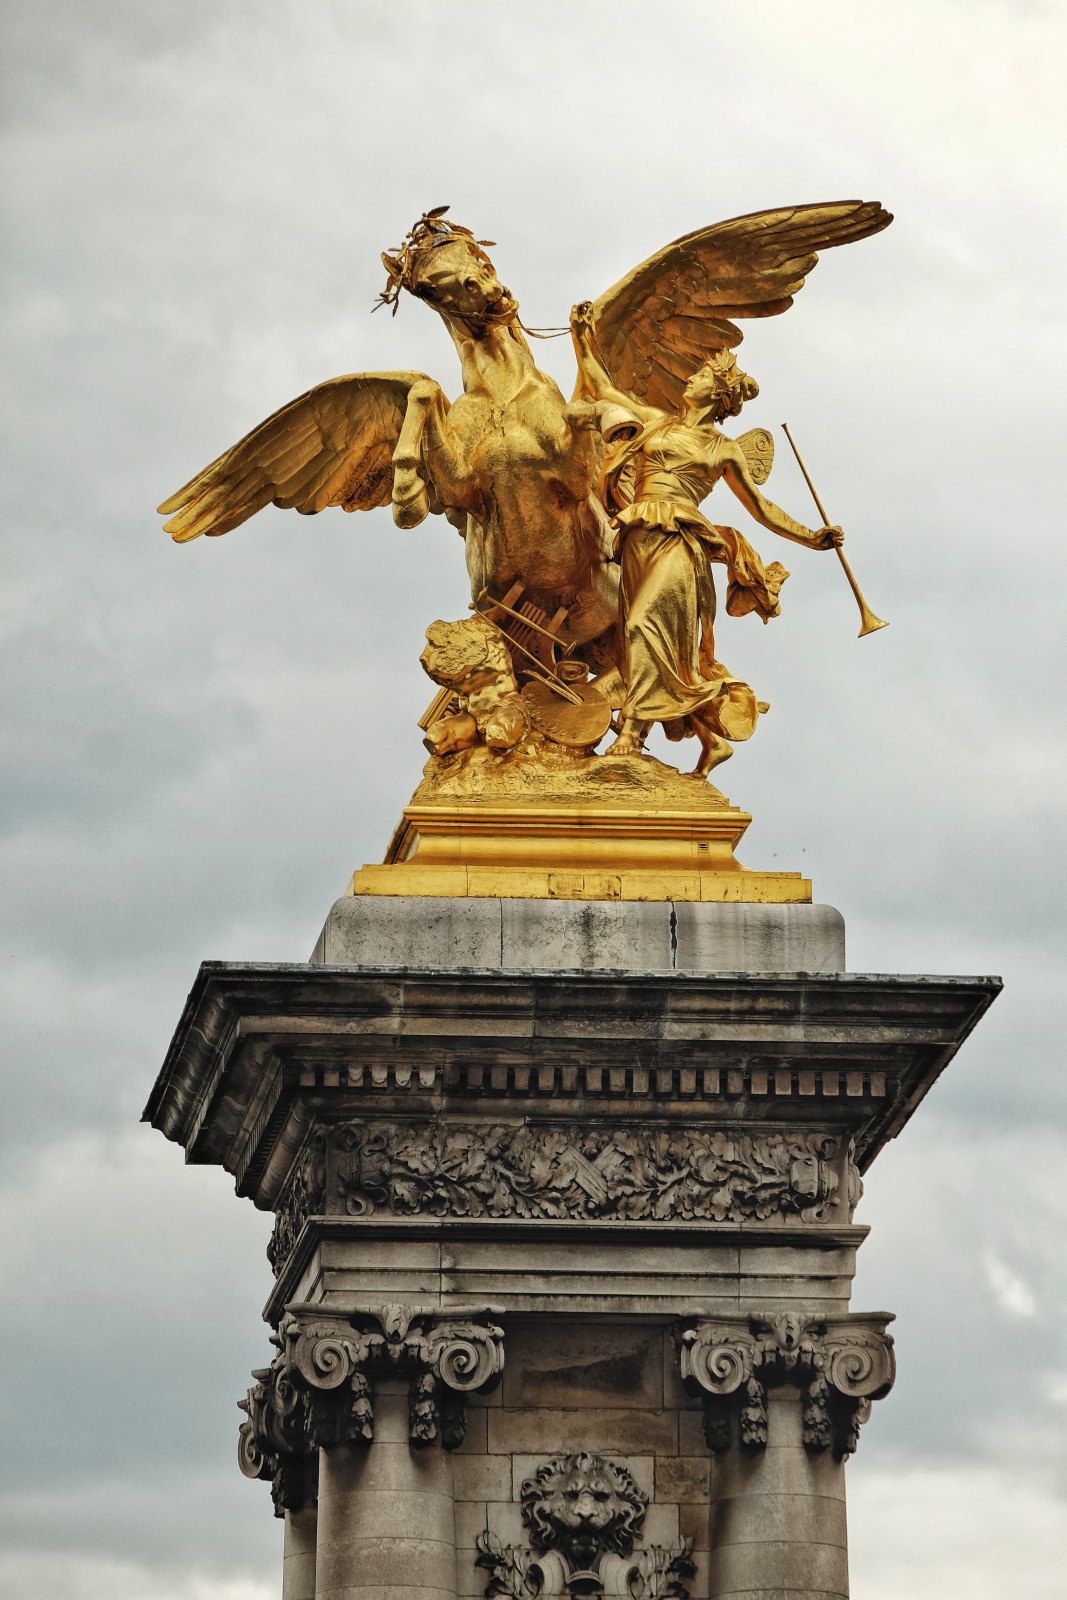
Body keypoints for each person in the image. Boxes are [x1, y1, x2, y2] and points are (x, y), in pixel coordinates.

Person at [570, 302, 844, 774]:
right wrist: (580, 337)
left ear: (717, 394)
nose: (689, 379)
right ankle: (710, 739)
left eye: (699, 377)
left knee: (642, 628)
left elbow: (761, 509)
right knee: (637, 639)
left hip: (681, 543)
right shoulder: (657, 421)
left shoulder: (723, 448)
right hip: (637, 539)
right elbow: (603, 385)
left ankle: (632, 735)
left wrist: (810, 537)